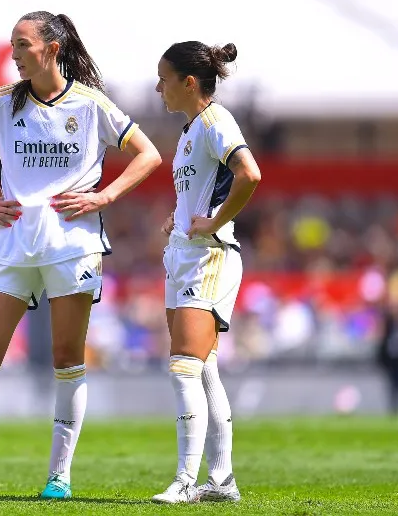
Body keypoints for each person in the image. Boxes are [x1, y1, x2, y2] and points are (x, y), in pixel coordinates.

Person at [0, 11, 162, 500]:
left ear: (52, 47)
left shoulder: (90, 104)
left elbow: (148, 154)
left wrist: (104, 197)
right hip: (14, 245)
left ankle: (59, 477)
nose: (14, 53)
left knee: (67, 358)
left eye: (22, 44)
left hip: (73, 246)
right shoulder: (2, 103)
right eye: (12, 44)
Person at [152, 42, 261, 504]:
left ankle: (184, 480)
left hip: (210, 255)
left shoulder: (217, 121)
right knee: (205, 368)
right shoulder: (190, 129)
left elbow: (249, 174)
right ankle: (222, 481)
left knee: (184, 367)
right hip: (183, 253)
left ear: (189, 82)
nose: (159, 87)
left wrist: (214, 223)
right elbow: (201, 191)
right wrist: (179, 219)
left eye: (164, 78)